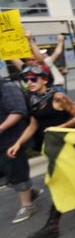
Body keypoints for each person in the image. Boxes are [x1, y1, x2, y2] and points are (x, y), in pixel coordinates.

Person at [7, 65, 75, 238]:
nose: (29, 83)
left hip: (67, 146)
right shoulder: (33, 100)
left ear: (44, 80)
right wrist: (18, 143)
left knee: (56, 182)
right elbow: (33, 125)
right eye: (26, 80)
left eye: (33, 79)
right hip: (51, 148)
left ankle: (52, 225)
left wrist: (58, 128)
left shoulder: (58, 97)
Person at [0, 76, 42, 224]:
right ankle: (29, 192)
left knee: (17, 171)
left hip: (12, 139)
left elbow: (18, 111)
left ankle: (27, 205)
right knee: (5, 175)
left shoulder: (6, 86)